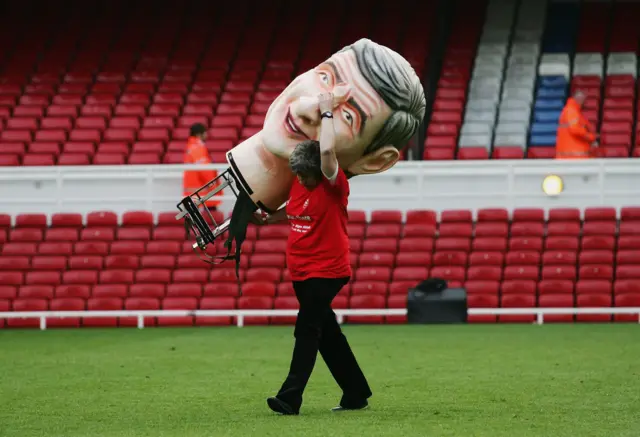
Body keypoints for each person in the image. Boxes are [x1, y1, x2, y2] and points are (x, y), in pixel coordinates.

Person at [254, 92, 372, 416]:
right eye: (299, 176)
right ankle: (356, 392)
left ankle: (290, 397)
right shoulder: (299, 185)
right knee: (327, 334)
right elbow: (292, 211)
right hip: (302, 272)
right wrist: (266, 218)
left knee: (307, 328)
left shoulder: (333, 185)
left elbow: (328, 149)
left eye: (306, 175)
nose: (301, 180)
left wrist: (326, 112)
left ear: (320, 171)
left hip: (328, 270)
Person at [183, 123, 222, 209]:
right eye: (205, 133)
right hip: (202, 192)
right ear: (199, 134)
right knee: (210, 219)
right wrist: (213, 184)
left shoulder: (190, 147)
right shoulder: (197, 147)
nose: (206, 135)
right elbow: (204, 169)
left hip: (194, 192)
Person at [555, 90, 599, 160]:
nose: (585, 103)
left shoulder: (572, 111)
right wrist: (591, 137)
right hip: (573, 157)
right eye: (584, 100)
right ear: (580, 99)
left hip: (571, 156)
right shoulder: (572, 111)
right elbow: (575, 129)